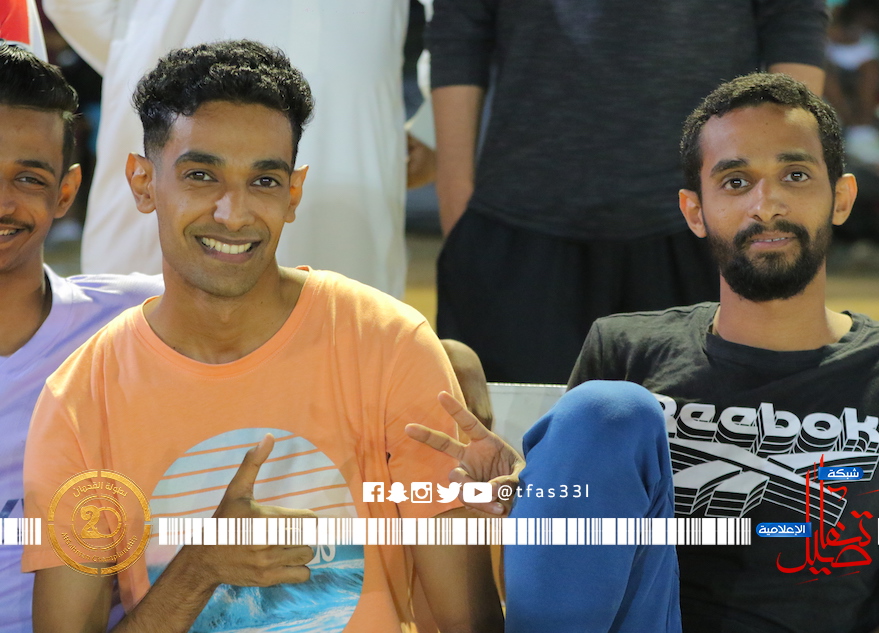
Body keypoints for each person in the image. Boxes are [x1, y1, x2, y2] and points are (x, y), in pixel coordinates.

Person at [414, 74, 879, 632]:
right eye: (736, 181)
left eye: (795, 175)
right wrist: (526, 503)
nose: (766, 204)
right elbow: (556, 589)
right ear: (695, 211)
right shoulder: (625, 350)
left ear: (840, 197)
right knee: (606, 410)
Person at [23, 40, 502, 633]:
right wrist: (199, 569)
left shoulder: (390, 345)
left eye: (265, 181)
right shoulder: (80, 400)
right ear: (143, 182)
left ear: (293, 193)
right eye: (201, 176)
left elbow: (468, 622)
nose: (234, 213)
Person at [427, 0, 829, 384]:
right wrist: (457, 199)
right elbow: (460, 28)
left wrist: (790, 190)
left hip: (705, 229)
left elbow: (792, 18)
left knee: (715, 430)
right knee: (514, 432)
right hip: (518, 227)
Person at [42, 0, 421, 297]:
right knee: (141, 336)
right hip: (186, 107)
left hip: (343, 117)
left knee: (352, 330)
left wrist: (154, 64)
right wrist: (168, 76)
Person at [0, 42, 163, 633]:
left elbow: (294, 313)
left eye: (28, 177)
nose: (2, 202)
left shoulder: (135, 319)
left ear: (65, 193)